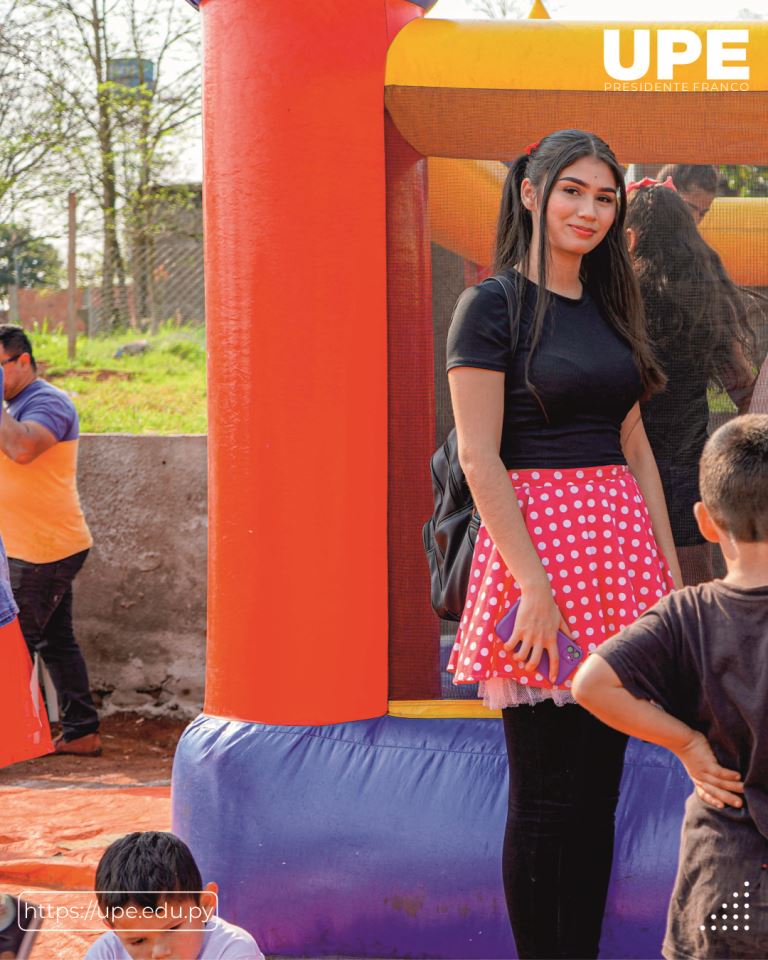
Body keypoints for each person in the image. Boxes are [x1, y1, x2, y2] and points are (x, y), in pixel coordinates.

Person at [445, 129, 682, 959]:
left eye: (605, 197)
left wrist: (666, 574)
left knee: (598, 790)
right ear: (531, 193)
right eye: (573, 190)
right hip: (536, 553)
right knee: (546, 795)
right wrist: (532, 586)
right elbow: (479, 454)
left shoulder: (615, 305)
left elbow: (635, 443)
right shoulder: (493, 305)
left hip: (618, 556)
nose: (589, 210)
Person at [573, 414, 768, 960]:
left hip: (725, 884)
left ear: (707, 522)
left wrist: (685, 742)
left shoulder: (688, 615)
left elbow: (591, 683)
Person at [626, 182, 759, 584]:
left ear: (631, 239)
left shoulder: (621, 300)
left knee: (630, 584)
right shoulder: (704, 302)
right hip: (685, 466)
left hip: (624, 465)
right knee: (690, 584)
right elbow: (745, 389)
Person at [0, 325, 100, 756]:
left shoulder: (48, 402)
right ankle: (82, 731)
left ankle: (14, 742)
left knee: (13, 645)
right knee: (55, 641)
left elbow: (23, 449)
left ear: (23, 361)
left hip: (46, 549)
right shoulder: (11, 405)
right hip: (26, 546)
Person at [85, 831, 264, 959]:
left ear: (204, 906)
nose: (159, 952)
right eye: (138, 941)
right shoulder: (107, 953)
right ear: (115, 930)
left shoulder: (233, 949)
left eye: (173, 928)